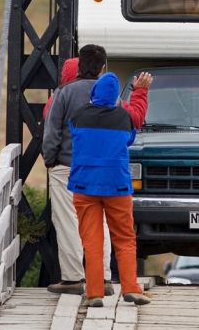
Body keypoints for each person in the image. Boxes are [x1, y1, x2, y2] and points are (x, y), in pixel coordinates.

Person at [42, 44, 151, 295]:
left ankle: (73, 278)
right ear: (103, 68)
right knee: (101, 226)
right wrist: (140, 93)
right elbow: (132, 123)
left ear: (79, 65)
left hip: (66, 168)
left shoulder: (64, 93)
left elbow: (52, 129)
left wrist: (50, 160)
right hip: (106, 174)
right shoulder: (111, 96)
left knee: (69, 223)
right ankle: (102, 279)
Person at [68, 72, 152, 307]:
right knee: (125, 238)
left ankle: (94, 293)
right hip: (117, 186)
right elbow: (130, 137)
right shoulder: (123, 117)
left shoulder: (79, 115)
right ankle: (130, 288)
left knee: (92, 241)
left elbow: (73, 131)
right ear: (116, 96)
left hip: (85, 186)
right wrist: (138, 93)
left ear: (95, 93)